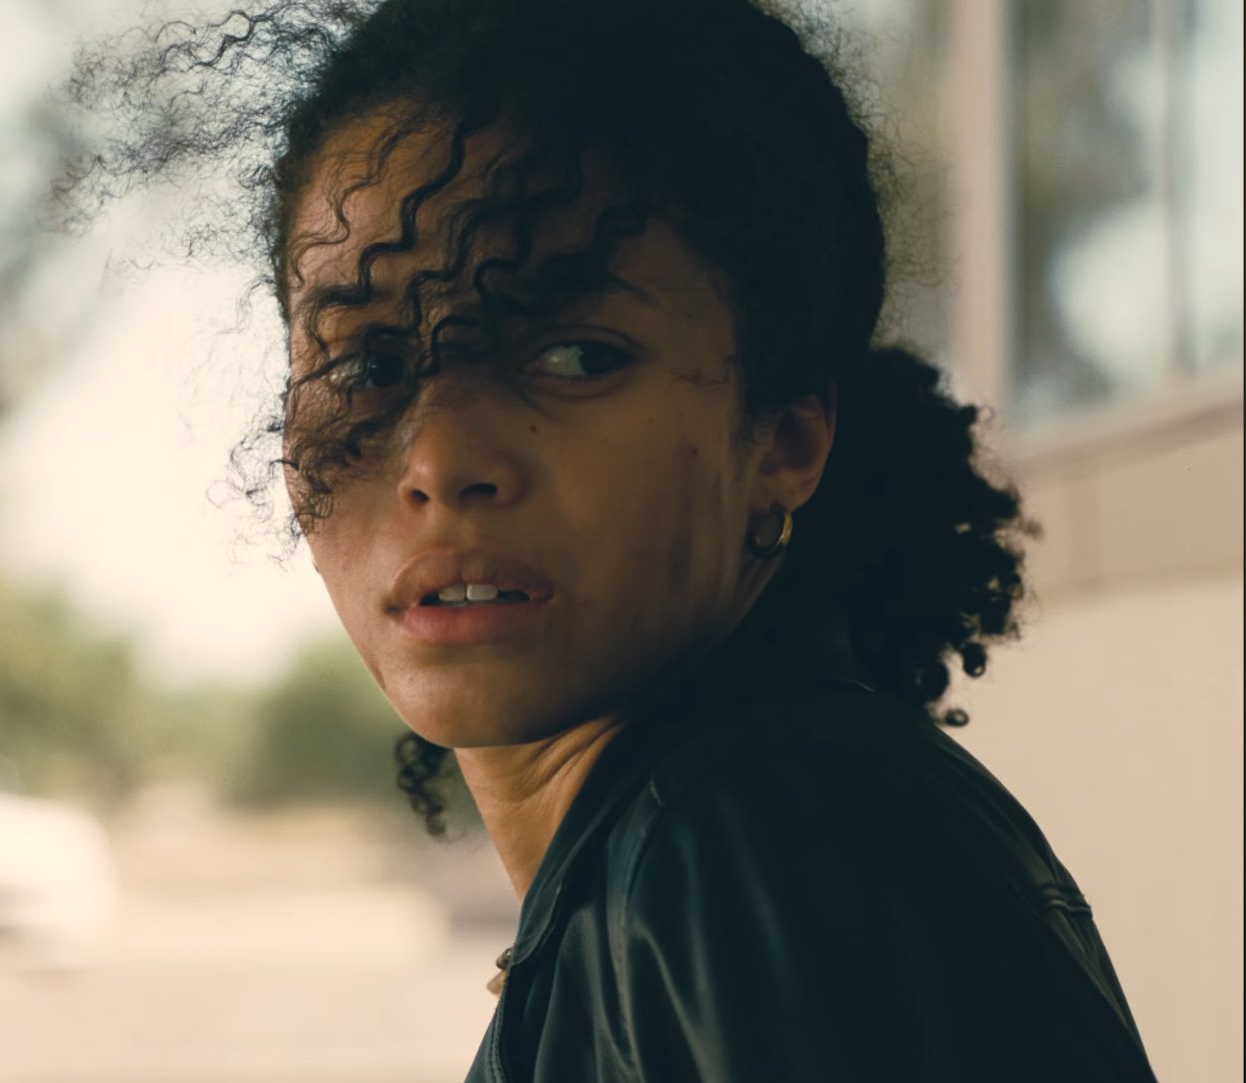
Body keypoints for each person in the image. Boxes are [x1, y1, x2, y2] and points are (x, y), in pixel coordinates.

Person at [74, 0, 1160, 1078]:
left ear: (781, 439)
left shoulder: (745, 842)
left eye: (576, 357)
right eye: (365, 366)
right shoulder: (709, 840)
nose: (440, 459)